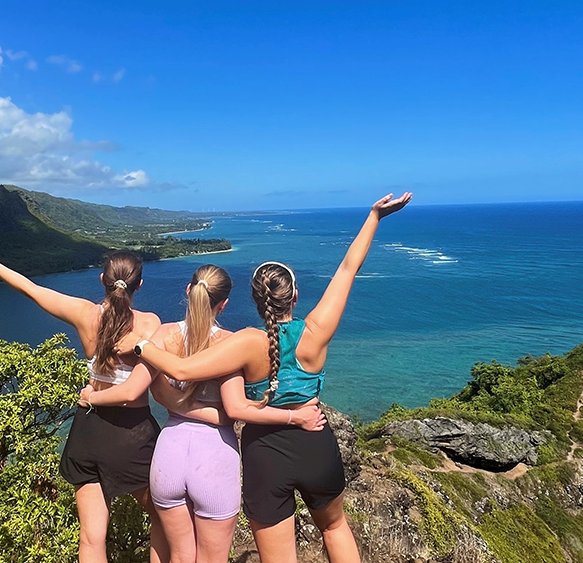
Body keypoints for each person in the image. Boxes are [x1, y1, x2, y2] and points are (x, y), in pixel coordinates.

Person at [116, 193, 413, 563]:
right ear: (295, 296)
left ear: (256, 301)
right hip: (315, 442)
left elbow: (181, 371)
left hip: (265, 456)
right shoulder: (315, 332)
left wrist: (141, 345)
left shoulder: (246, 344)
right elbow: (348, 268)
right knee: (335, 528)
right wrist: (374, 217)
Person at [79, 264, 326, 563]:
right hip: (214, 458)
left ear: (188, 291)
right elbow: (232, 412)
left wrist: (95, 396)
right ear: (223, 304)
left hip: (168, 455)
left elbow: (139, 390)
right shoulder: (230, 343)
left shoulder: (163, 335)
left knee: (179, 556)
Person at [0, 244, 166, 563]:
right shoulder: (150, 324)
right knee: (166, 519)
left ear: (102, 280)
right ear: (140, 284)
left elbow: (31, 289)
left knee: (91, 538)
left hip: (88, 431)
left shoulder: (83, 314)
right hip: (132, 435)